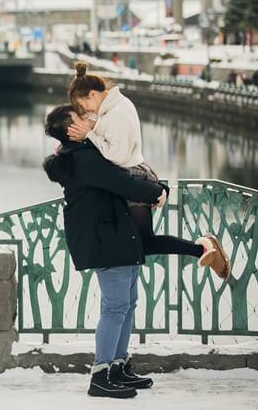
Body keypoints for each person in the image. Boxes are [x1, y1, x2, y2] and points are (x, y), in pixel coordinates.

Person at [43, 104, 166, 399]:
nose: (89, 118)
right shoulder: (82, 157)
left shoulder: (82, 151)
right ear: (71, 129)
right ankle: (100, 375)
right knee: (115, 307)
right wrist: (158, 191)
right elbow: (121, 182)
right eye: (81, 117)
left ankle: (118, 367)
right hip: (105, 237)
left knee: (127, 303)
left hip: (115, 232)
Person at [65, 62, 230, 280]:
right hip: (130, 176)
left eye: (83, 106)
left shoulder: (117, 114)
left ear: (93, 94)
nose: (86, 112)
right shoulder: (114, 109)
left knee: (143, 242)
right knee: (141, 242)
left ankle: (204, 249)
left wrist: (90, 135)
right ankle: (203, 249)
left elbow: (118, 155)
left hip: (132, 176)